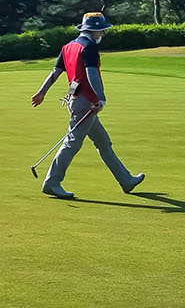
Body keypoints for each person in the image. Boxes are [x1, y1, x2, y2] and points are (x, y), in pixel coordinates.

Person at [30, 12, 146, 199]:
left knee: (103, 142)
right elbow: (91, 74)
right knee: (72, 143)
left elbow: (55, 72)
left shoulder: (68, 46)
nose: (103, 34)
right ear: (95, 30)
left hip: (75, 97)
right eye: (102, 30)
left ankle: (126, 180)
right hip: (87, 101)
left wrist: (42, 92)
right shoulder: (89, 47)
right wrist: (100, 98)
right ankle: (52, 182)